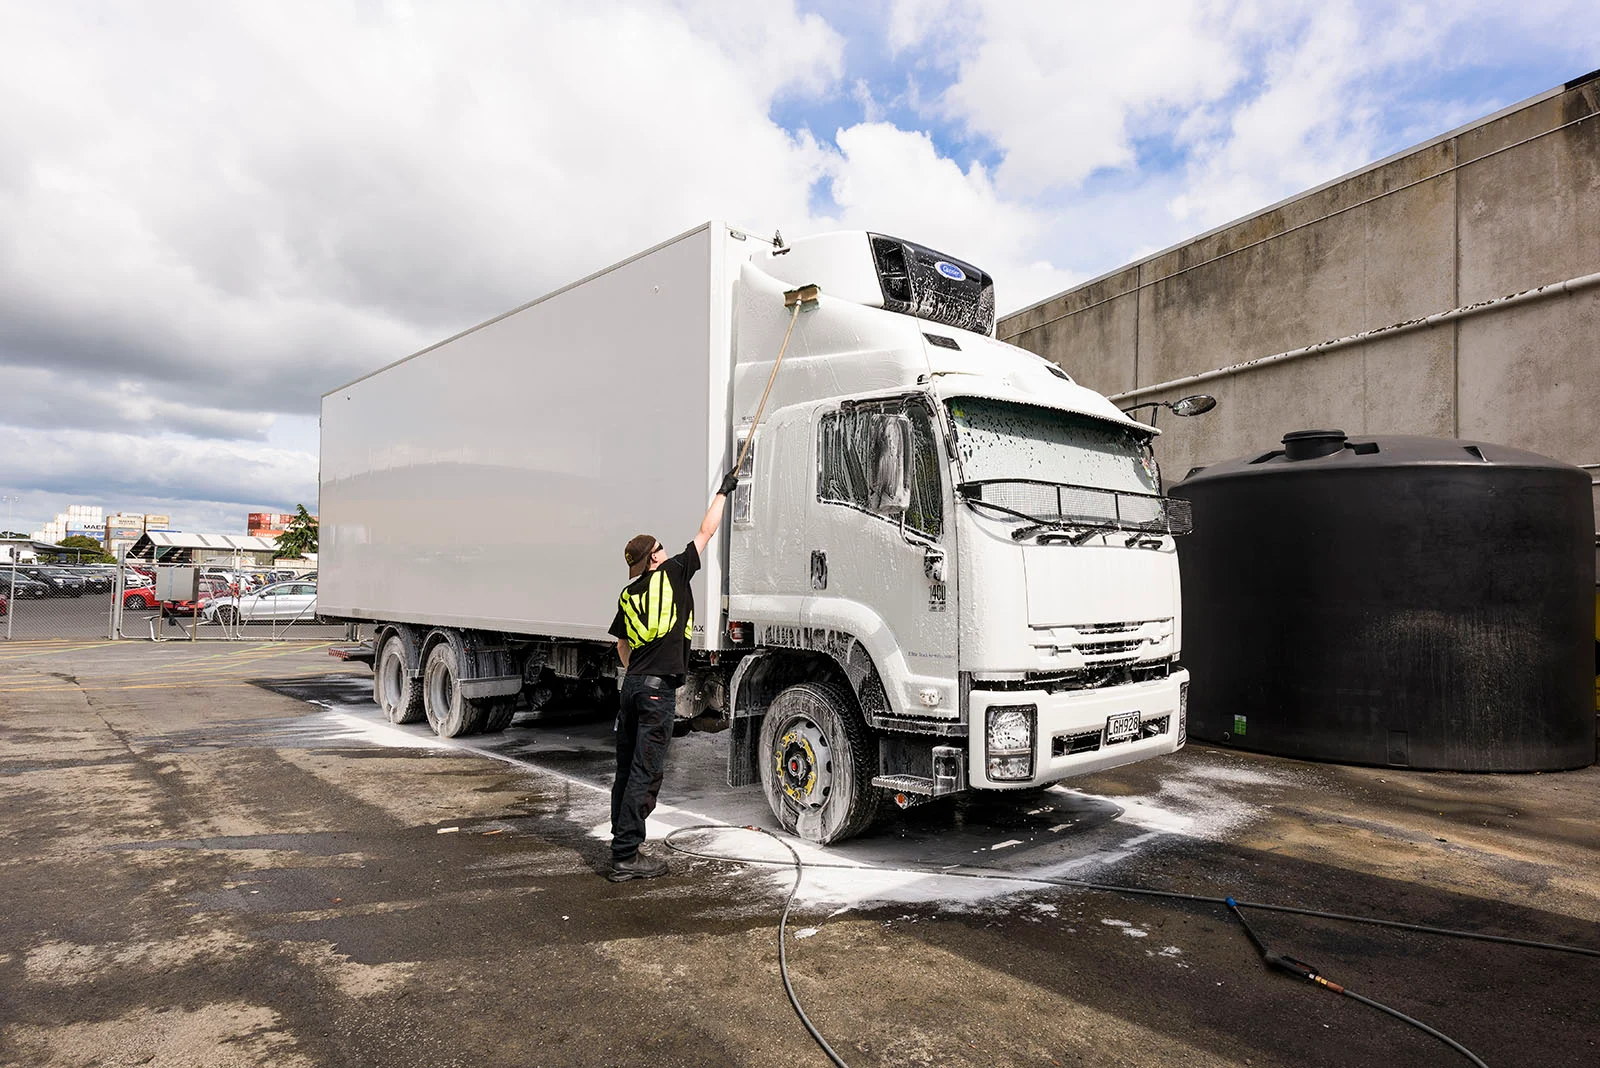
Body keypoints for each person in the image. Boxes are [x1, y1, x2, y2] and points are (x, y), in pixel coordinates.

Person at [605, 469, 739, 881]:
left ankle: (622, 841)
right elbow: (706, 530)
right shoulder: (676, 571)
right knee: (645, 772)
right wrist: (723, 491)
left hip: (631, 689)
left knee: (626, 769)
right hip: (656, 693)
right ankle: (626, 856)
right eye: (660, 547)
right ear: (656, 557)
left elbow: (621, 645)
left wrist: (636, 675)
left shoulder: (629, 593)